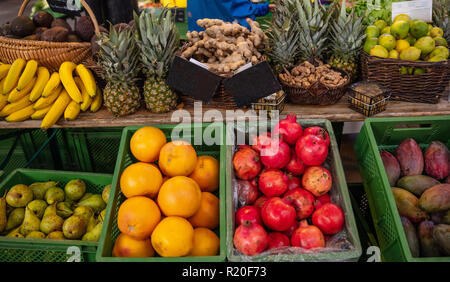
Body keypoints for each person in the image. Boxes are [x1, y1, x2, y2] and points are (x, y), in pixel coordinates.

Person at [187, 0, 276, 31]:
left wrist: (265, 7)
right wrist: (263, 8)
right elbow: (240, 8)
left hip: (197, 34)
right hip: (222, 38)